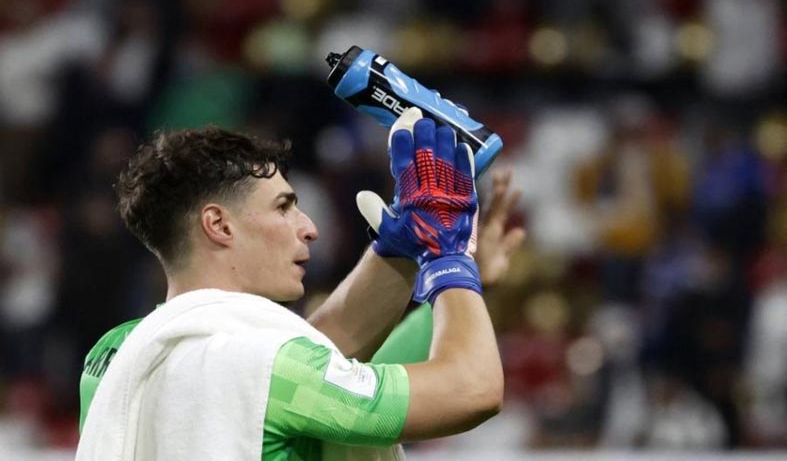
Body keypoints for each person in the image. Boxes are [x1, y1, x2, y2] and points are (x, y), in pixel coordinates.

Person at [76, 107, 524, 460]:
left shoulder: (114, 355)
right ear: (219, 225)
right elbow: (472, 389)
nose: (309, 227)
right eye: (283, 207)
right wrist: (449, 260)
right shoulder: (261, 367)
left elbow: (322, 352)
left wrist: (404, 248)